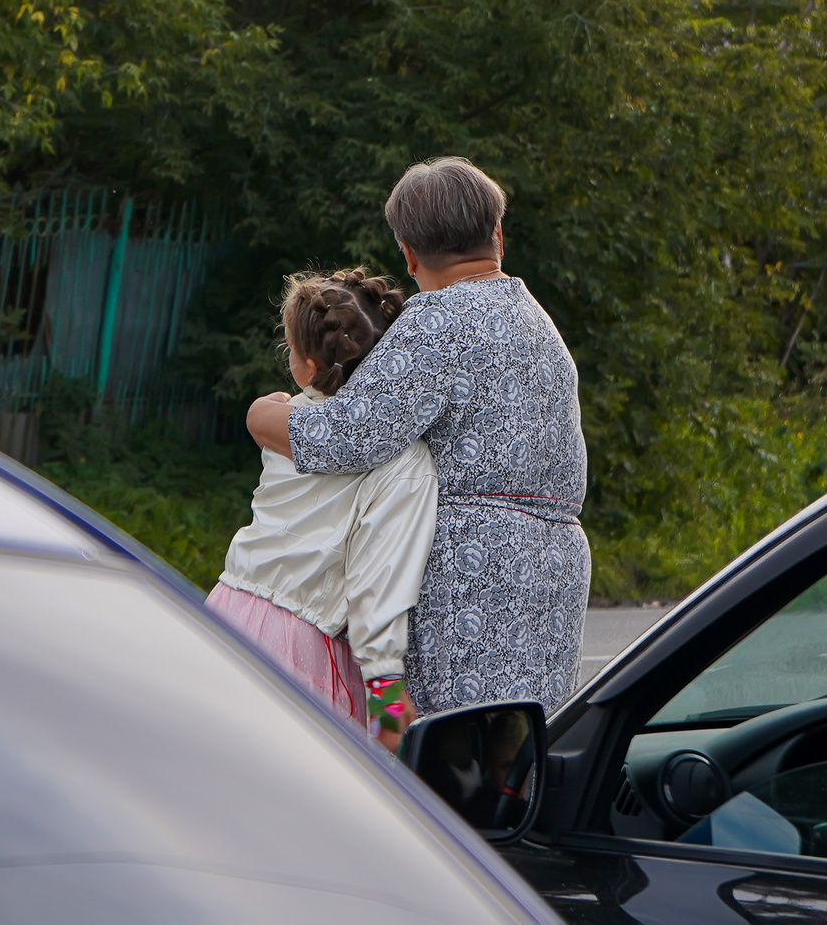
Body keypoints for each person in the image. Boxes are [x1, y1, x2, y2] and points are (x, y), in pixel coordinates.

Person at [246, 157, 589, 715]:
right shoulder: (535, 318)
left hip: (474, 573)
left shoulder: (436, 320)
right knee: (520, 750)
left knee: (448, 753)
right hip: (556, 567)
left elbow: (348, 436)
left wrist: (265, 418)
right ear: (497, 235)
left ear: (407, 253)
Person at [208, 269, 437, 747]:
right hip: (302, 643)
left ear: (308, 365)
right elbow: (380, 580)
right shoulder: (401, 456)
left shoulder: (285, 418)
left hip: (228, 611)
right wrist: (388, 704)